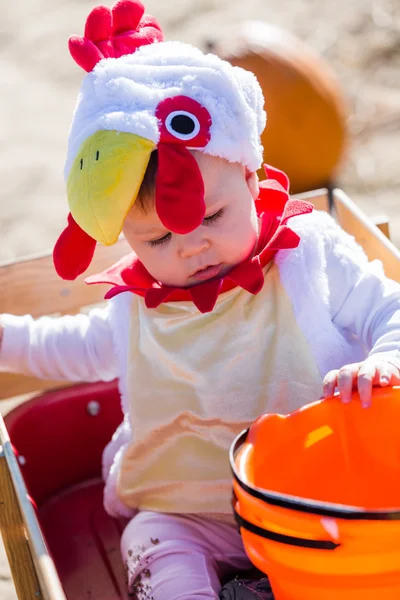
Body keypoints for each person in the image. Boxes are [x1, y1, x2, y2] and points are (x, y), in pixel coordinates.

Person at [1, 1, 400, 598]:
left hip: (317, 501)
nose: (193, 249)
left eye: (213, 215)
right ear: (128, 240)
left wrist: (383, 360)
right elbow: (72, 348)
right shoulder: (137, 304)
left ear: (249, 176)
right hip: (194, 509)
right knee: (150, 536)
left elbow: (388, 308)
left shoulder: (306, 257)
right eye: (159, 238)